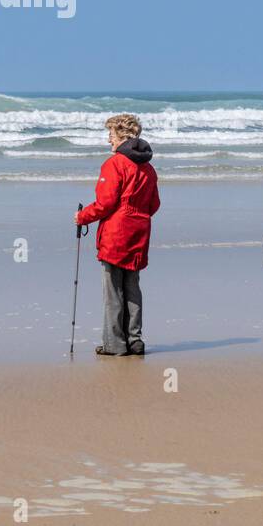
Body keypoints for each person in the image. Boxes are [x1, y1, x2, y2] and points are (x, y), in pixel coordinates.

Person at [76, 114, 160, 357]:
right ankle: (134, 340)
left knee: (113, 290)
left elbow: (105, 203)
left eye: (110, 135)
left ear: (122, 136)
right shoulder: (148, 168)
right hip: (140, 231)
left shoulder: (114, 164)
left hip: (117, 233)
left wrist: (82, 217)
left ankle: (114, 344)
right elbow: (154, 204)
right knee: (132, 287)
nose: (108, 140)